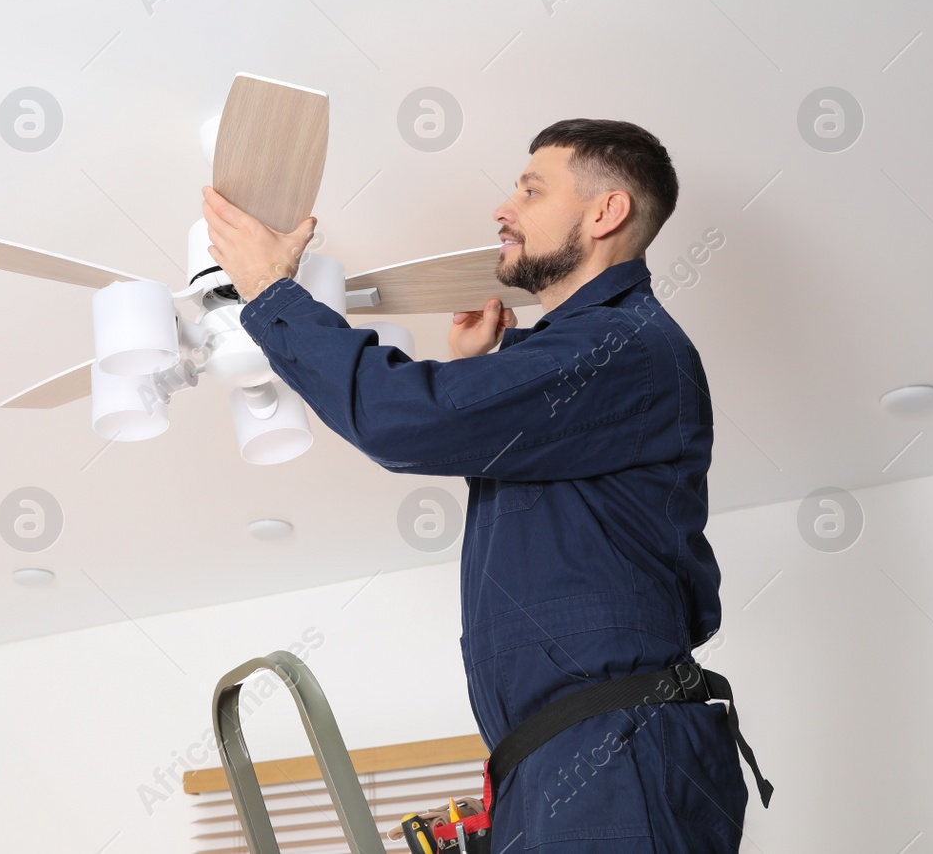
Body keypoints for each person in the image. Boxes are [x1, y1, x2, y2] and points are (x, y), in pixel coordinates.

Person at [201, 119, 767, 853]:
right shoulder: (602, 358)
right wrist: (489, 365)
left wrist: (273, 292)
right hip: (564, 762)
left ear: (606, 212)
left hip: (610, 753)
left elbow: (398, 419)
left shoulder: (624, 346)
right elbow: (561, 495)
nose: (504, 208)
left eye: (532, 189)